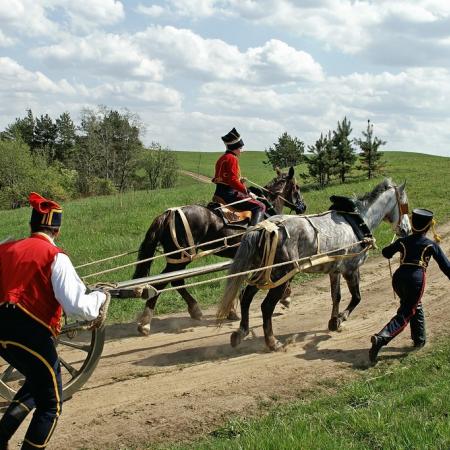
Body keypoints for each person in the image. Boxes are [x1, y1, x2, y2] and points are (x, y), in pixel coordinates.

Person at [0, 193, 109, 450]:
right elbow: (78, 306)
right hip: (31, 336)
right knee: (51, 404)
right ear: (57, 231)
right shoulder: (55, 256)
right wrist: (100, 296)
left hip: (2, 334)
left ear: (31, 226)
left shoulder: (4, 248)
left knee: (36, 384)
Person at [369, 208, 450, 364]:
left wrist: (394, 244)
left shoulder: (403, 241)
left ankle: (419, 339)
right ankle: (381, 338)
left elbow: (386, 253)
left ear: (412, 224)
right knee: (406, 312)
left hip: (398, 279)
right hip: (415, 281)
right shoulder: (430, 244)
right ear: (428, 227)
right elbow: (446, 267)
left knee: (413, 305)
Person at [212, 127, 266, 226]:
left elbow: (224, 178)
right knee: (261, 206)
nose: (242, 150)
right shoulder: (232, 158)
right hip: (229, 195)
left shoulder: (222, 158)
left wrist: (239, 180)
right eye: (240, 148)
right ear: (235, 148)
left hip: (218, 193)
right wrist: (248, 192)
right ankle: (253, 232)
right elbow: (232, 180)